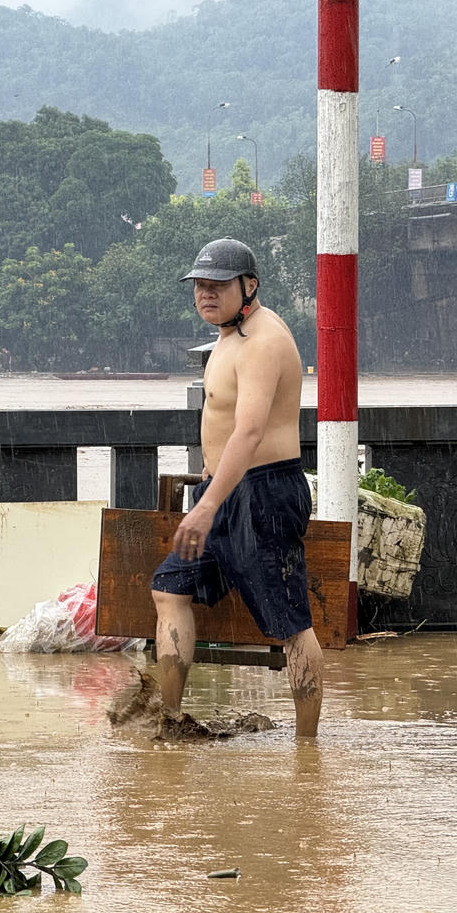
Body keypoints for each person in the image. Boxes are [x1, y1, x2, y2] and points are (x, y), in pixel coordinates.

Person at [150, 237, 323, 738]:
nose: (205, 294)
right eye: (199, 285)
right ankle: (170, 720)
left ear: (249, 286)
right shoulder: (229, 336)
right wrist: (210, 494)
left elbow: (248, 432)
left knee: (291, 624)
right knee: (169, 588)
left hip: (264, 494)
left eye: (218, 285)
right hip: (222, 490)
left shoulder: (263, 340)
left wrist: (205, 508)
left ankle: (307, 750)